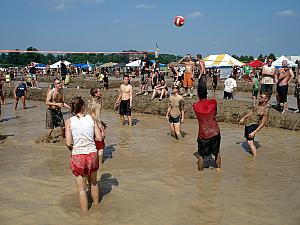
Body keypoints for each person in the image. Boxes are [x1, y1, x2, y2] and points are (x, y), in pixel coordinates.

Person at [65, 97, 102, 213]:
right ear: (83, 107)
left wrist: (73, 147)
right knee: (94, 183)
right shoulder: (92, 118)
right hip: (92, 153)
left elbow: (68, 143)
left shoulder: (69, 121)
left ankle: (85, 216)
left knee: (81, 190)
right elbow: (99, 138)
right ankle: (97, 209)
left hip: (78, 155)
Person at [193, 87, 221, 171]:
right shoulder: (213, 102)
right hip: (215, 131)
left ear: (198, 95)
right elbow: (215, 113)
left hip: (203, 133)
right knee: (217, 153)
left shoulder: (195, 105)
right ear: (207, 94)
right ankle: (218, 171)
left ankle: (200, 176)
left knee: (201, 155)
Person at [87, 87, 106, 169]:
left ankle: (93, 163)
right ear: (95, 93)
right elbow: (90, 115)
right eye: (99, 91)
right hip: (95, 125)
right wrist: (100, 127)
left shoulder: (97, 101)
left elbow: (96, 115)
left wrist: (102, 123)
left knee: (95, 145)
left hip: (96, 124)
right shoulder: (92, 102)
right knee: (100, 147)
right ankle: (100, 165)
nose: (100, 92)